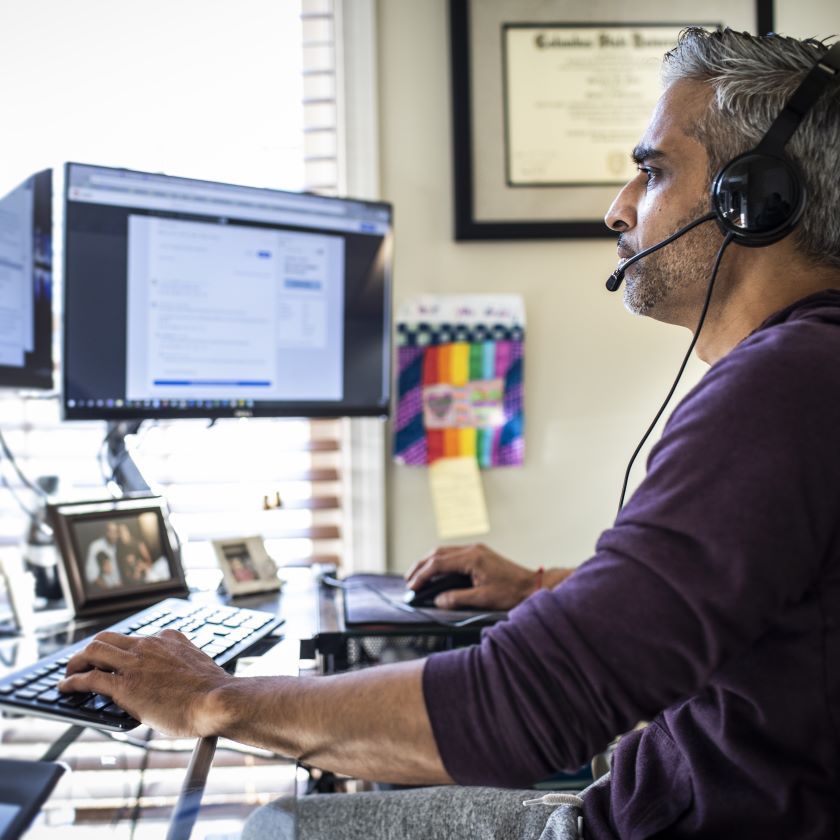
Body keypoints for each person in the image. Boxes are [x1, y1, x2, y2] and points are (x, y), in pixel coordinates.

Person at [58, 28, 840, 838]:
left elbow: (526, 707)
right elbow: (756, 594)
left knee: (278, 827)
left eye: (651, 171)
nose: (617, 208)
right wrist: (543, 586)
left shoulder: (785, 388)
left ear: (755, 197)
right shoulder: (810, 374)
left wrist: (207, 701)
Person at [84, 521, 121, 588]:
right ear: (105, 532)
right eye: (110, 531)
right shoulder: (95, 546)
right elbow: (92, 576)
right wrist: (109, 591)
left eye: (116, 531)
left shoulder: (118, 546)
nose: (114, 535)